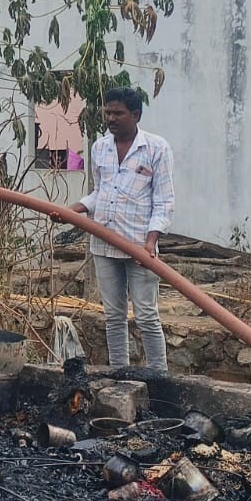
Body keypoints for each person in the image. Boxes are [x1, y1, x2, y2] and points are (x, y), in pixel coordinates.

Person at [55, 87, 174, 372]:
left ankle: (159, 375)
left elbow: (164, 200)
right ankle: (119, 372)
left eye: (118, 113)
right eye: (107, 112)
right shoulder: (100, 147)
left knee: (146, 315)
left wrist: (150, 243)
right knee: (113, 315)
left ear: (135, 114)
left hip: (138, 246)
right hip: (104, 243)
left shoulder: (156, 148)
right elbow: (100, 192)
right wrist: (77, 208)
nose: (111, 118)